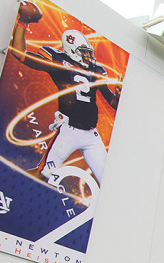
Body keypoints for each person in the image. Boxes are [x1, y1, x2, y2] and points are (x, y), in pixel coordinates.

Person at [9, 5, 120, 185]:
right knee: (44, 173)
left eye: (88, 53)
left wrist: (119, 95)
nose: (87, 57)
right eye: (83, 53)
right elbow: (19, 53)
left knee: (107, 181)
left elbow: (113, 103)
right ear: (71, 51)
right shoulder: (59, 61)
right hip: (69, 131)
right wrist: (22, 23)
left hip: (92, 134)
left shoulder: (95, 69)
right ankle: (13, 184)